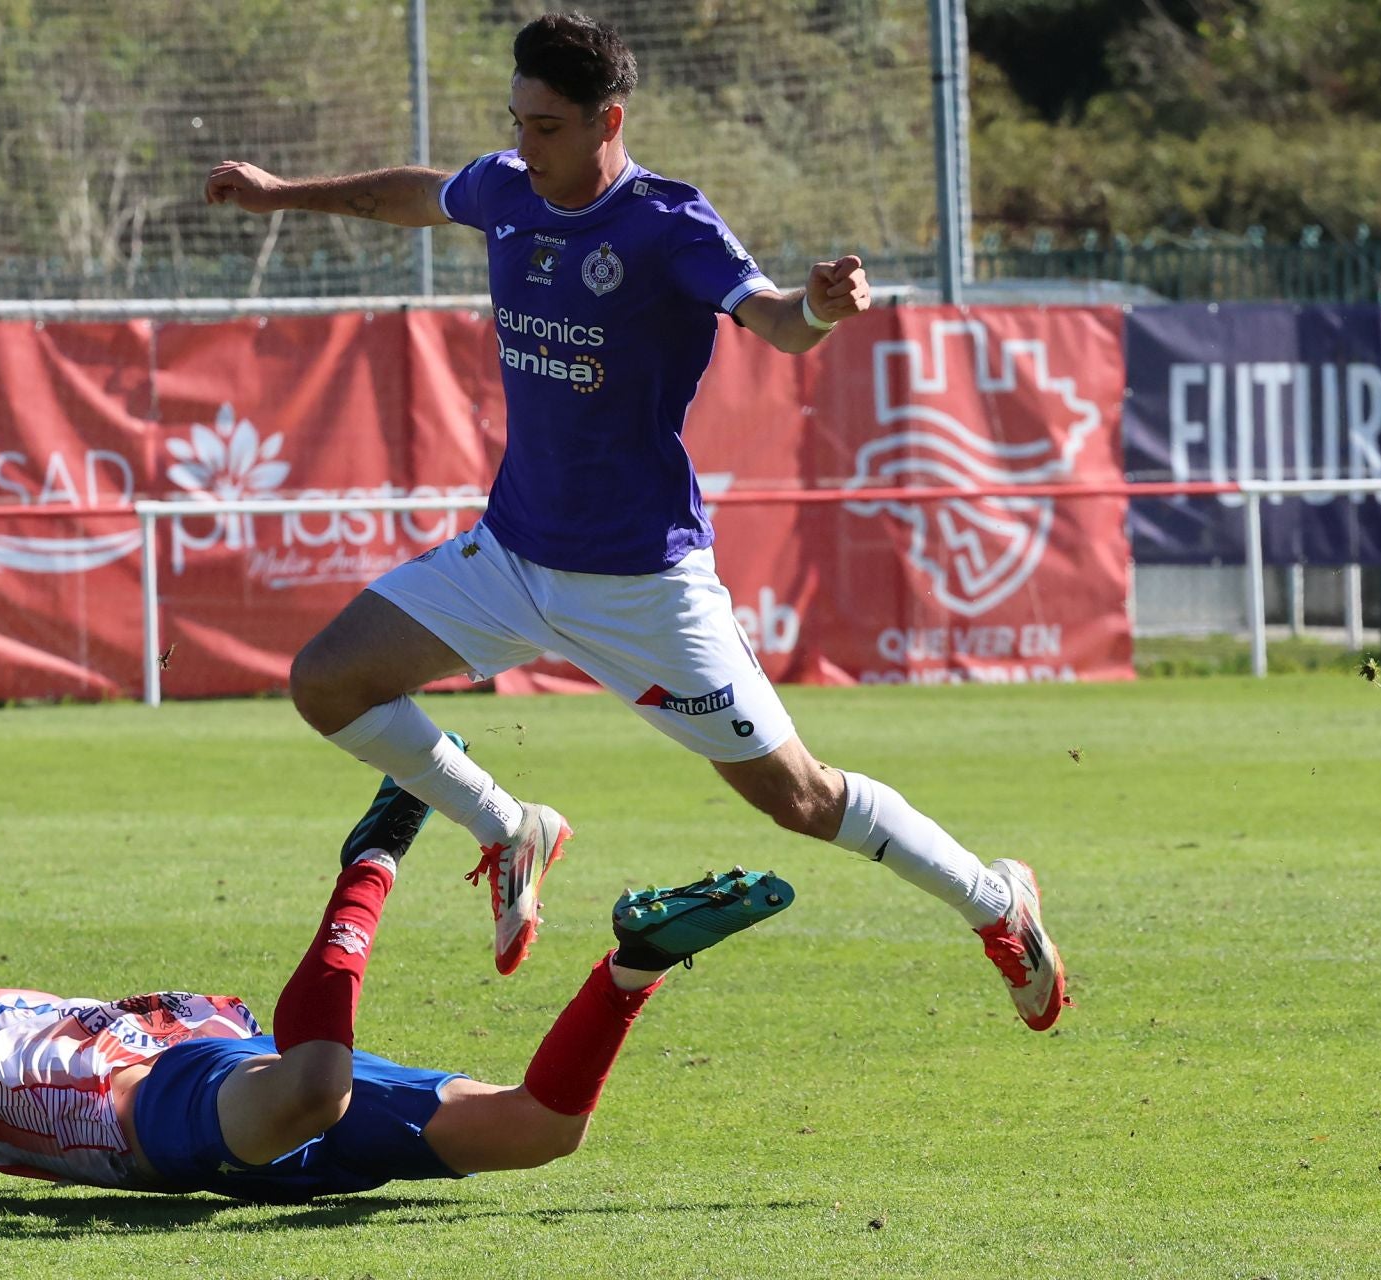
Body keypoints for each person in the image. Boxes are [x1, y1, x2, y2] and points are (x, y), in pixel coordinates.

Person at [204, 12, 1068, 1030]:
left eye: (549, 127)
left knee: (796, 796)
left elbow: (779, 323)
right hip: (512, 559)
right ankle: (509, 826)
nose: (525, 146)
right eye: (517, 121)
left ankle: (995, 901)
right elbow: (413, 194)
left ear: (608, 118)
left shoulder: (671, 225)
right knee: (330, 680)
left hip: (645, 589)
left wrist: (824, 307)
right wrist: (279, 195)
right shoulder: (506, 189)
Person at [0, 792, 793, 1207]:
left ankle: (372, 857)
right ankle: (635, 968)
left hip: (161, 1106)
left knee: (315, 1088)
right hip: (215, 1076)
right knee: (541, 1129)